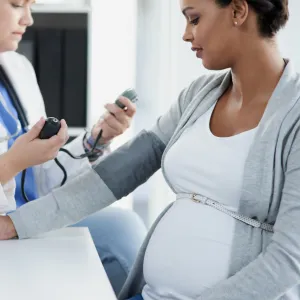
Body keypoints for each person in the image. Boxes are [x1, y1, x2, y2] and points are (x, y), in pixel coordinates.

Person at [1, 0, 299, 299]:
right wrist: (15, 224)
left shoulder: (293, 116)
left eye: (194, 19)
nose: (185, 34)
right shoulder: (199, 96)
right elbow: (115, 174)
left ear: (238, 11)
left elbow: (288, 260)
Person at [0, 0, 147, 295]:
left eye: (32, 6)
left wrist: (96, 140)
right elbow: (19, 168)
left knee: (126, 227)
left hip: (28, 216)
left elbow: (41, 181)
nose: (28, 20)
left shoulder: (18, 68)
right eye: (17, 5)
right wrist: (11, 163)